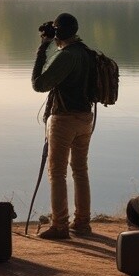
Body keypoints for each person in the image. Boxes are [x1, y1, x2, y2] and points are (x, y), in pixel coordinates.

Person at [31, 12, 95, 239]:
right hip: (86, 119)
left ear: (57, 33)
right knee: (80, 171)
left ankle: (59, 226)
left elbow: (39, 84)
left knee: (57, 173)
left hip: (64, 119)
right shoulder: (86, 53)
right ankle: (82, 223)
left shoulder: (67, 55)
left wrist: (43, 47)